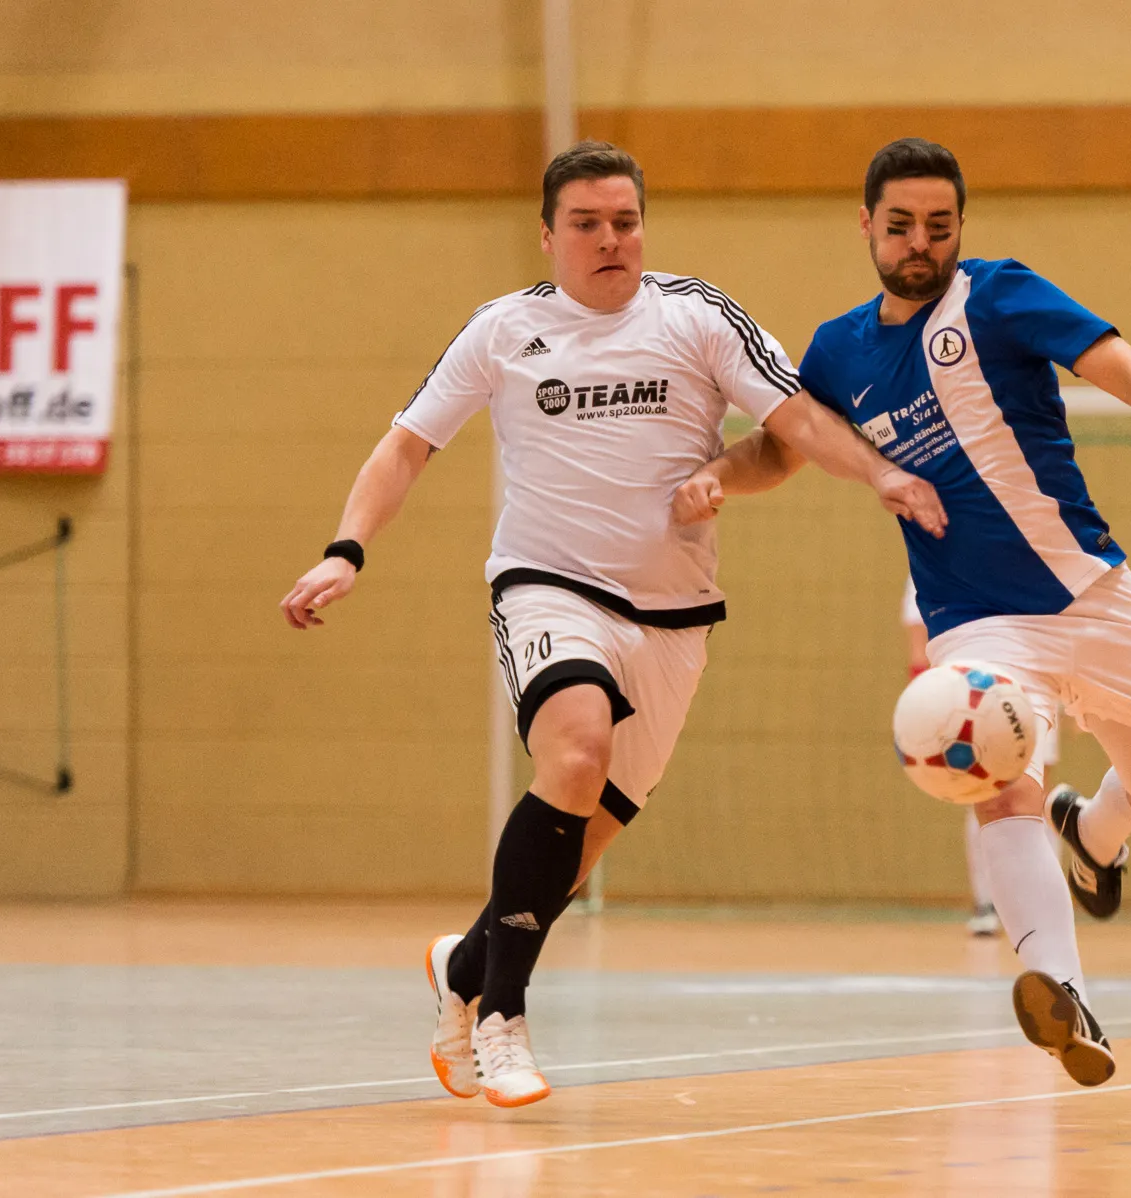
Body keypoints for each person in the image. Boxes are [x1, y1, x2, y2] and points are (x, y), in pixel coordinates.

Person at [280, 141, 945, 1109]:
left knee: (578, 845)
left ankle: (463, 967)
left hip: (674, 614)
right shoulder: (504, 331)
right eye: (587, 224)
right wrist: (346, 550)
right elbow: (406, 446)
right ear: (547, 236)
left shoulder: (696, 317)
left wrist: (878, 474)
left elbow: (795, 424)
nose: (610, 240)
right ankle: (502, 1017)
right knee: (576, 749)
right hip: (548, 586)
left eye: (625, 222)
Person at [674, 138, 1131, 1087]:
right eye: (901, 224)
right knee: (999, 780)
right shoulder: (838, 350)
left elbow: (1122, 368)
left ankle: (1095, 834)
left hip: (1091, 593)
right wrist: (717, 474)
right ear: (866, 224)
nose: (920, 242)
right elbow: (780, 449)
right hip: (974, 619)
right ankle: (1063, 990)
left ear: (961, 226)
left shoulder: (999, 295)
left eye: (939, 225)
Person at [901, 575, 1060, 937]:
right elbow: (917, 632)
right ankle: (988, 902)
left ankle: (1044, 904)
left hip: (1032, 681)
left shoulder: (1026, 551)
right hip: (967, 691)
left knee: (1038, 792)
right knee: (984, 790)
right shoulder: (930, 552)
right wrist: (924, 699)